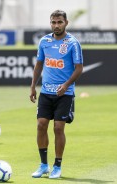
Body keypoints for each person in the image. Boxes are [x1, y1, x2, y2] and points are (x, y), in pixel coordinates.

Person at [29, 10, 83, 179]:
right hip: (46, 92)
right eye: (53, 22)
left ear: (66, 22)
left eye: (59, 22)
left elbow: (79, 68)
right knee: (41, 125)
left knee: (58, 128)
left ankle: (57, 166)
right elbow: (39, 65)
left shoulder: (73, 43)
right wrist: (32, 87)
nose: (56, 25)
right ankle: (43, 165)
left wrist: (66, 85)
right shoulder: (44, 41)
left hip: (65, 94)